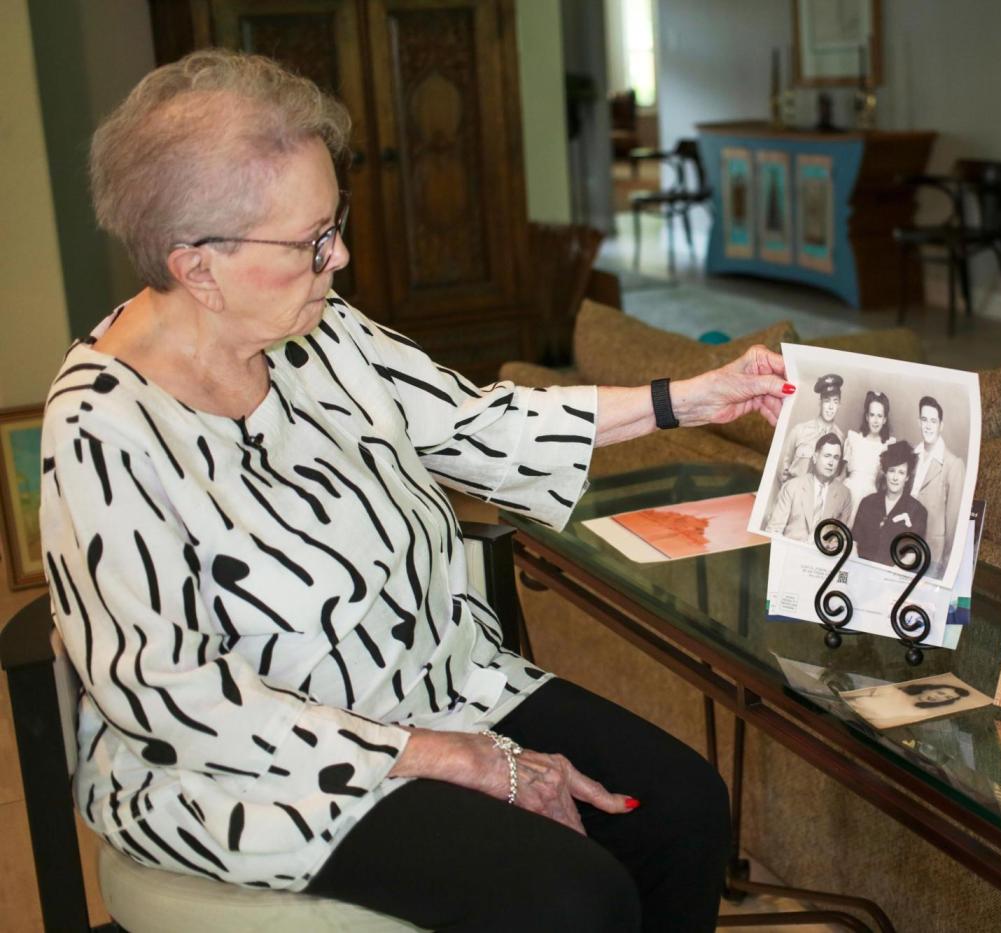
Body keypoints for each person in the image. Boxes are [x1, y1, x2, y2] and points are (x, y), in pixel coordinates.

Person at [40, 50, 792, 932]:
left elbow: (480, 424)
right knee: (573, 901)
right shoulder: (104, 428)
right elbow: (177, 699)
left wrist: (692, 397)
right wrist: (457, 759)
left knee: (685, 809)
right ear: (198, 267)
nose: (341, 255)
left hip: (441, 684)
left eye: (335, 221)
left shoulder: (318, 333)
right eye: (312, 240)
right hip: (258, 772)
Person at [910, 395, 965, 577]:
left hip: (933, 554)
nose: (928, 425)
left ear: (941, 425)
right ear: (919, 422)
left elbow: (953, 519)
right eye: (924, 420)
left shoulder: (953, 464)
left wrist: (946, 559)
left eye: (933, 421)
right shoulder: (912, 456)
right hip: (905, 547)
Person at [850, 441, 928, 566]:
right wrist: (858, 567)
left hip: (893, 573)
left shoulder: (918, 511)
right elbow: (854, 542)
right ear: (885, 472)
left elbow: (912, 553)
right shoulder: (867, 503)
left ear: (907, 477)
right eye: (892, 471)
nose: (895, 478)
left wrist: (891, 573)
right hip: (861, 568)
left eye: (901, 472)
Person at [764, 432, 852, 541]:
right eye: (827, 456)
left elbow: (839, 539)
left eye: (836, 458)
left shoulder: (844, 494)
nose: (831, 462)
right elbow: (773, 531)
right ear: (815, 457)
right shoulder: (792, 486)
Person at [778, 373, 844, 482]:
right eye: (827, 401)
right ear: (820, 402)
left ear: (839, 405)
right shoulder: (799, 430)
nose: (831, 407)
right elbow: (782, 469)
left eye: (835, 402)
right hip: (793, 489)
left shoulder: (841, 439)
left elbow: (835, 477)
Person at [842, 391, 895, 504]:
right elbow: (842, 474)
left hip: (869, 498)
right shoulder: (854, 439)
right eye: (872, 415)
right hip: (847, 493)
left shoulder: (887, 446)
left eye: (879, 416)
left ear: (884, 419)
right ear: (866, 417)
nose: (875, 421)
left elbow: (882, 483)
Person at [899, 682, 971, 709]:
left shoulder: (917, 708)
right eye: (941, 693)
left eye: (948, 697)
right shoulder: (903, 692)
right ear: (930, 689)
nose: (939, 697)